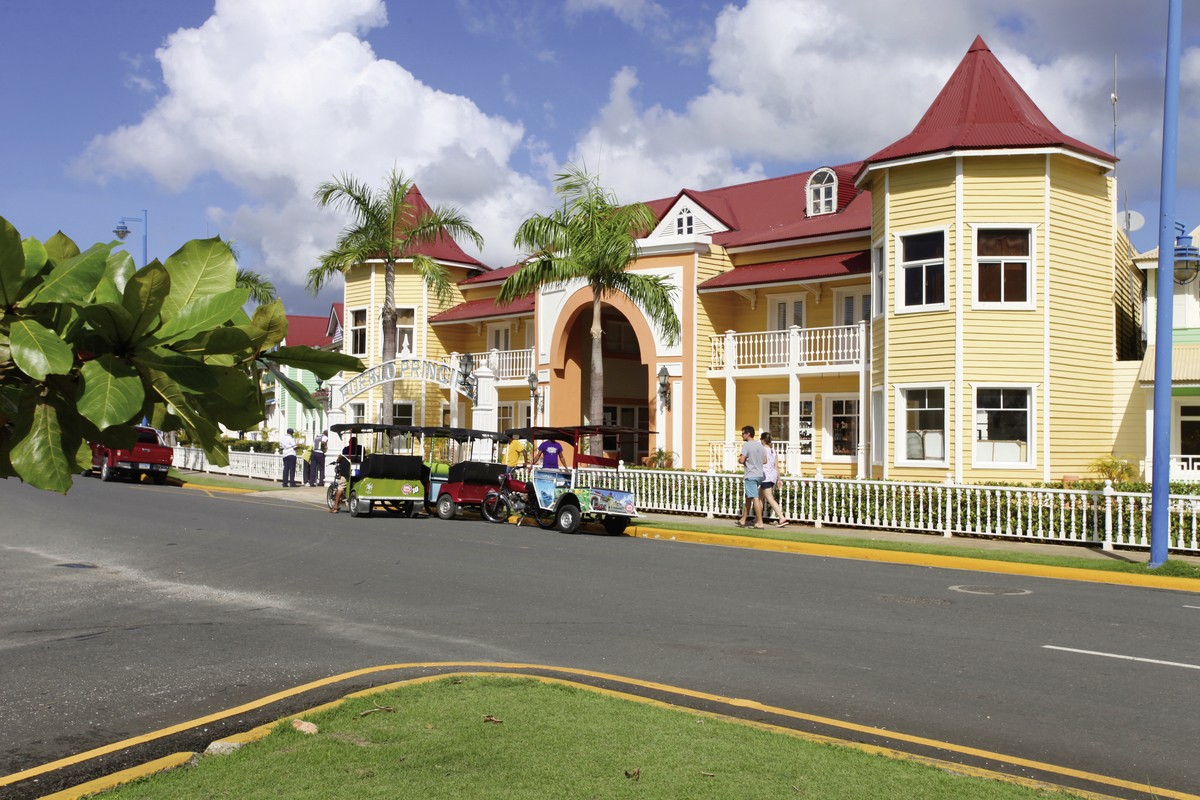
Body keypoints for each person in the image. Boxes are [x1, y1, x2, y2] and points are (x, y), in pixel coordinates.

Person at [736, 425, 765, 529]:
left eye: (743, 433)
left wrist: (739, 460)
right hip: (760, 475)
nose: (742, 435)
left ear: (748, 434)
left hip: (751, 475)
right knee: (748, 497)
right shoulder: (760, 446)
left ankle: (760, 522)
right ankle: (743, 519)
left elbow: (742, 460)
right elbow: (765, 460)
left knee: (754, 498)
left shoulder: (747, 445)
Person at [759, 431, 788, 528]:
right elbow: (776, 466)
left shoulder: (762, 450)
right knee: (759, 498)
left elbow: (759, 462)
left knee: (770, 498)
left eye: (761, 439)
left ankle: (781, 517)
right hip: (772, 476)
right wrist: (779, 479)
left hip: (765, 476)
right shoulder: (773, 451)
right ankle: (757, 518)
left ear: (763, 440)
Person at [329, 447, 352, 513]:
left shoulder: (346, 449)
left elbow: (339, 457)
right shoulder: (361, 449)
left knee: (340, 488)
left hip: (345, 474)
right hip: (353, 473)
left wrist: (337, 461)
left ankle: (335, 507)